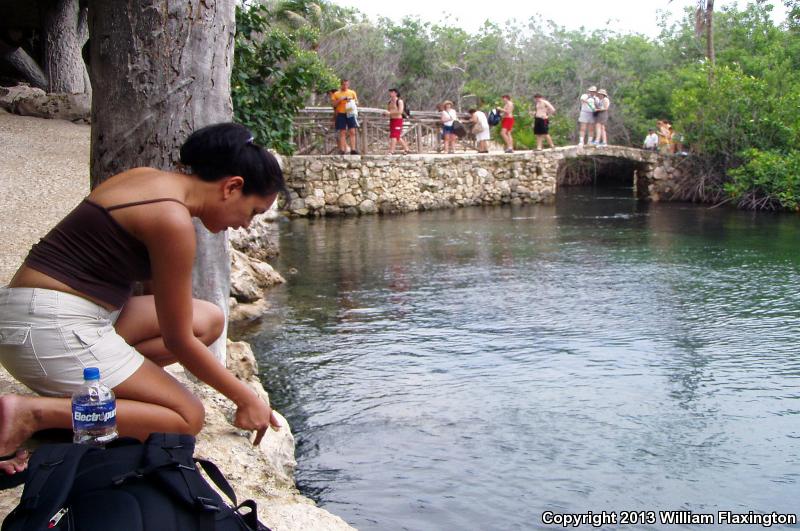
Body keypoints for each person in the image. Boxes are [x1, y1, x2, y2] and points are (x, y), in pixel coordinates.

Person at [0, 123, 285, 474]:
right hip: (48, 329)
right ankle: (32, 413)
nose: (246, 225)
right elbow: (178, 340)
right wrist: (246, 397)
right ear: (232, 186)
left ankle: (96, 391)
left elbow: (171, 316)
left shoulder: (147, 179)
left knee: (209, 319)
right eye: (253, 211)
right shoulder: (172, 220)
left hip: (34, 314)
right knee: (184, 417)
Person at [331, 79, 359, 155]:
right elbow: (333, 104)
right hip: (341, 113)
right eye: (344, 84)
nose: (345, 86)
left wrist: (351, 101)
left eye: (347, 84)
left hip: (350, 113)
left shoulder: (352, 92)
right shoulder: (336, 94)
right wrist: (340, 99)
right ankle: (342, 149)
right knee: (342, 132)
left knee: (352, 131)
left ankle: (353, 149)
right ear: (341, 85)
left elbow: (357, 102)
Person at [387, 88, 410, 155]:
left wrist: (390, 113)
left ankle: (392, 151)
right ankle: (406, 149)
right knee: (397, 136)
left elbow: (400, 111)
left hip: (398, 120)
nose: (390, 93)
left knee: (394, 136)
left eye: (392, 92)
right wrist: (386, 113)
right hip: (392, 120)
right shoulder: (389, 102)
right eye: (390, 92)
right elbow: (389, 111)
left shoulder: (399, 101)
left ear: (396, 93)